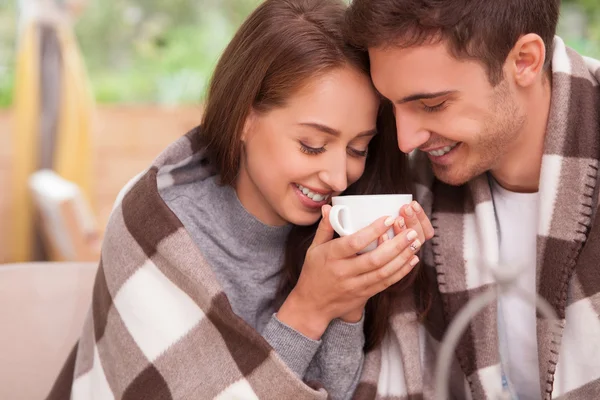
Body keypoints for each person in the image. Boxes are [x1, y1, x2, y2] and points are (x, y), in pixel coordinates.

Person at [47, 0, 434, 399]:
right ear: (245, 119)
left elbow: (340, 393)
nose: (338, 177)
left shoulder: (339, 223)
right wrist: (308, 309)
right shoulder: (157, 233)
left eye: (357, 149)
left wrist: (352, 299)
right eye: (312, 145)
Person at [346, 0, 600, 398]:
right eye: (390, 106)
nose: (405, 139)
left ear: (525, 61)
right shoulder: (412, 188)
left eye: (432, 105)